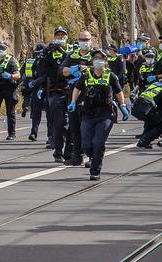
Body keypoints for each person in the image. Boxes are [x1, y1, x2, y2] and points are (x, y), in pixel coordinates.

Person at [68, 49, 129, 180]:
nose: (98, 61)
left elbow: (119, 91)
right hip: (88, 114)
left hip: (105, 114)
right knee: (86, 145)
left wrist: (123, 105)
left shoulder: (110, 75)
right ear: (92, 60)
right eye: (95, 58)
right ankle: (93, 155)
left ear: (105, 61)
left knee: (98, 142)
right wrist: (73, 102)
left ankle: (95, 170)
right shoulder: (86, 75)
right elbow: (77, 88)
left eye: (101, 58)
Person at [36, 26, 71, 162]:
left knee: (72, 124)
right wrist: (47, 53)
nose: (60, 38)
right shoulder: (48, 52)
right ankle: (57, 151)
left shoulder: (72, 51)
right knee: (59, 123)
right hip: (55, 91)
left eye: (63, 35)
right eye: (58, 35)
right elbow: (41, 71)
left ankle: (69, 152)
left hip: (72, 91)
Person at [61, 30, 94, 166]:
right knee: (74, 126)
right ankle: (77, 155)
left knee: (89, 127)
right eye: (82, 39)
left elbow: (104, 68)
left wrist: (88, 69)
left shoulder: (96, 55)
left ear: (91, 40)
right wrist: (73, 69)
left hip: (91, 95)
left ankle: (93, 156)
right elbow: (63, 71)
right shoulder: (72, 55)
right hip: (74, 95)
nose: (84, 42)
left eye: (87, 40)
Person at [23, 43, 47, 141]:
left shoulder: (48, 61)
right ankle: (34, 132)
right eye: (37, 53)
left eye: (40, 53)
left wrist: (36, 82)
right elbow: (33, 75)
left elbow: (46, 75)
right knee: (35, 112)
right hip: (37, 88)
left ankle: (51, 136)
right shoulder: (35, 62)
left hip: (48, 87)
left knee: (50, 114)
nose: (38, 55)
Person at [133, 81, 162, 147]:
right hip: (146, 108)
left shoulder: (156, 84)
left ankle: (142, 142)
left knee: (150, 122)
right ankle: (145, 140)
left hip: (137, 107)